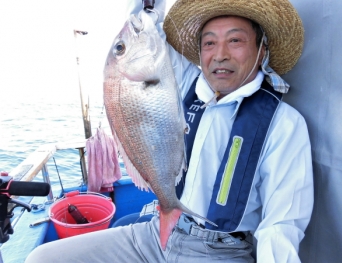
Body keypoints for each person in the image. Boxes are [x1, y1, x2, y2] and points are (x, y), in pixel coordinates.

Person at [25, 0, 313, 262]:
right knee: (42, 258)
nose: (220, 54)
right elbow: (145, 25)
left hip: (221, 250)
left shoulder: (284, 124)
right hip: (155, 235)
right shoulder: (187, 85)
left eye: (235, 40)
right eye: (209, 43)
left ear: (261, 49)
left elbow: (281, 225)